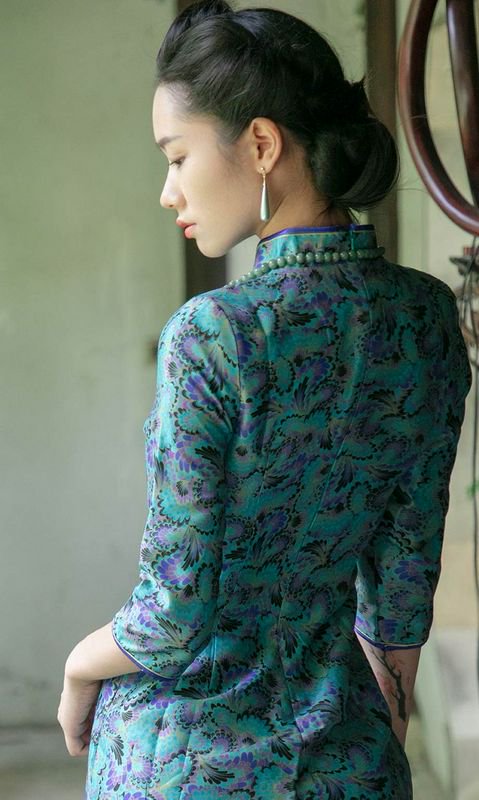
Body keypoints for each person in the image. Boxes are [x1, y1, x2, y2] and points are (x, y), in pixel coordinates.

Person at [57, 1, 472, 798]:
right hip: (345, 748)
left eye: (177, 157)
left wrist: (79, 668)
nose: (168, 191)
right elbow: (401, 582)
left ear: (259, 144)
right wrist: (382, 734)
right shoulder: (424, 317)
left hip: (186, 757)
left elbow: (171, 613)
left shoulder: (212, 334)